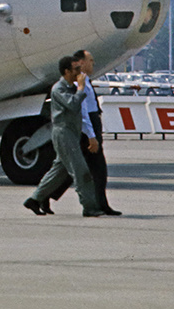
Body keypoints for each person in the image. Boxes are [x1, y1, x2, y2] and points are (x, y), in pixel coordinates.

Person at [23, 55, 104, 217]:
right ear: (66, 71)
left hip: (73, 132)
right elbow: (73, 105)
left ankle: (35, 199)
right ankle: (90, 207)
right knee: (81, 172)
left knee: (59, 171)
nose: (79, 72)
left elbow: (83, 112)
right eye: (75, 69)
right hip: (63, 133)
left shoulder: (72, 87)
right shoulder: (59, 89)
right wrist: (81, 89)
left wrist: (90, 135)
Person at [47, 49, 120, 215]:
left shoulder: (85, 80)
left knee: (72, 168)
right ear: (81, 62)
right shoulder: (76, 84)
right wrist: (91, 135)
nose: (93, 63)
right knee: (91, 168)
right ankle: (96, 204)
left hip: (91, 123)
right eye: (90, 60)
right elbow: (83, 110)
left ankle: (45, 196)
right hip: (85, 127)